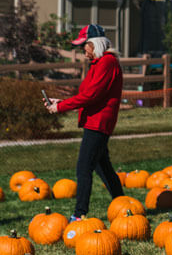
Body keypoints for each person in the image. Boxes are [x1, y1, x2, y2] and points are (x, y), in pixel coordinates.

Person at [45, 24, 125, 220]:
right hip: (94, 122)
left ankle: (79, 214)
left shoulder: (107, 62)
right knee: (102, 166)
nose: (83, 50)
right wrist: (61, 102)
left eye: (85, 46)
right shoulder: (98, 64)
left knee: (83, 168)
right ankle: (123, 205)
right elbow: (86, 94)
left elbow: (91, 96)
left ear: (94, 44)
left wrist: (61, 108)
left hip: (99, 123)